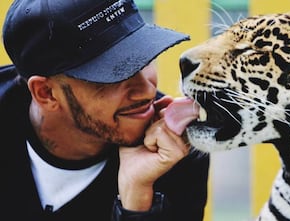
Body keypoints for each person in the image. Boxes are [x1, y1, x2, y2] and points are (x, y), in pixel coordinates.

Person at [0, 0, 209, 220]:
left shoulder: (171, 153)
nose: (146, 91)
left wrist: (137, 197)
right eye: (115, 73)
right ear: (46, 93)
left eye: (145, 59)